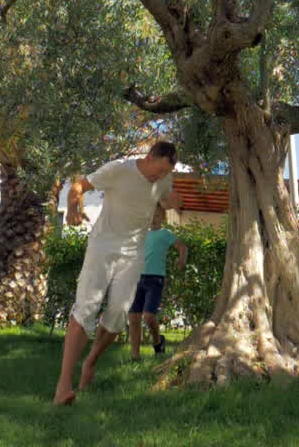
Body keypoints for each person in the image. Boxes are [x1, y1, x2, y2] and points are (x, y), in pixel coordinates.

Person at [53, 141, 184, 406]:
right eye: (158, 170)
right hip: (103, 246)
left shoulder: (164, 179)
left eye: (164, 173)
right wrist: (73, 209)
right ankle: (63, 386)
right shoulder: (119, 170)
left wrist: (172, 201)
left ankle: (90, 362)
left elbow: (167, 198)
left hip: (133, 254)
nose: (160, 176)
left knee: (117, 317)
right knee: (85, 309)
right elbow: (79, 186)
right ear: (148, 158)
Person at [128, 206, 188, 360]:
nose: (153, 217)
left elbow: (182, 247)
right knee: (134, 319)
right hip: (137, 278)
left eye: (157, 215)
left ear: (163, 218)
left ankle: (157, 341)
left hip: (155, 279)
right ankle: (135, 356)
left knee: (148, 316)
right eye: (150, 214)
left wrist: (181, 259)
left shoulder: (165, 234)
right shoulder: (140, 234)